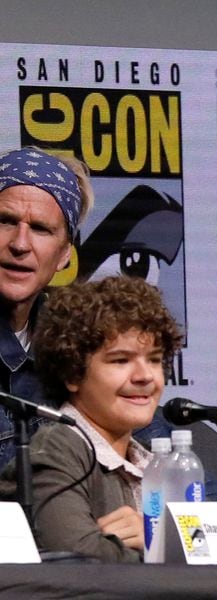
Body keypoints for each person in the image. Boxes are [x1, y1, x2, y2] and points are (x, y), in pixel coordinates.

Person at [0, 276, 183, 562]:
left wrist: (157, 537)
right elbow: (77, 560)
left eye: (155, 360)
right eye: (121, 360)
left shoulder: (156, 463)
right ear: (73, 373)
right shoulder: (56, 449)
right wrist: (160, 544)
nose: (144, 376)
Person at [0, 147, 93, 469]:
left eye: (40, 228)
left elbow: (156, 448)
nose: (20, 244)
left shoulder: (75, 347)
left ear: (65, 253)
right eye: (5, 221)